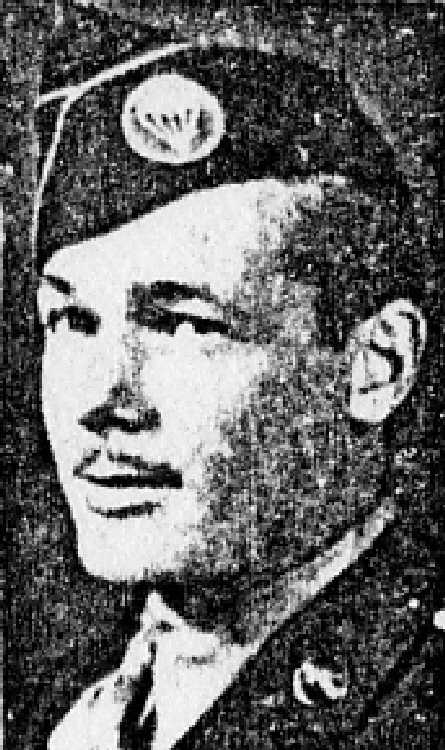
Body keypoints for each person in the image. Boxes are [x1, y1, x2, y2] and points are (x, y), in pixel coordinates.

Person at [29, 10, 440, 750]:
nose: (100, 401)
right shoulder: (54, 706)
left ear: (376, 366)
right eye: (72, 321)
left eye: (185, 326)